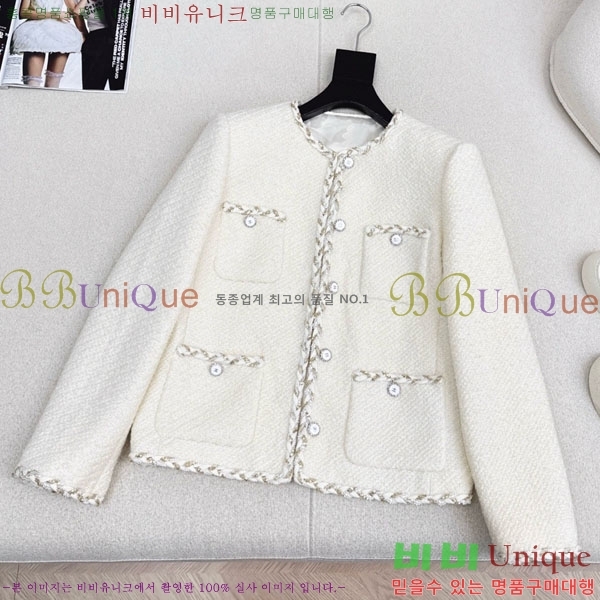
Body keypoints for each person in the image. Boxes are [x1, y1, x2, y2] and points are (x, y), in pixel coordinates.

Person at [9, 0, 83, 87]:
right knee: (32, 84)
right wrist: (53, 14)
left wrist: (84, 33)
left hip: (60, 32)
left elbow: (74, 11)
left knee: (53, 85)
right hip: (35, 32)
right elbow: (23, 13)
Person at [71, 0, 120, 90]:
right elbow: (76, 13)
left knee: (119, 85)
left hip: (117, 34)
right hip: (95, 37)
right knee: (92, 87)